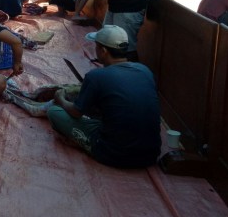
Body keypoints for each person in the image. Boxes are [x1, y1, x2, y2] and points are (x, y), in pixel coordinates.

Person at [46, 25, 161, 169]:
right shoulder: (145, 71)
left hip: (113, 154)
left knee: (54, 112)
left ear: (103, 51)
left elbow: (76, 112)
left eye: (96, 46)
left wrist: (60, 99)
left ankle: (86, 143)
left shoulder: (96, 76)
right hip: (151, 155)